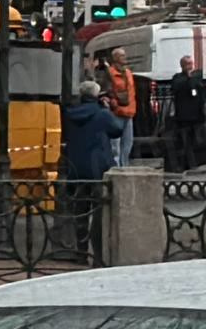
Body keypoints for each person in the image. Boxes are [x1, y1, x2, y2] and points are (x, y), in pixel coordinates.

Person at [63, 80, 124, 263]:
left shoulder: (70, 114)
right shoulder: (102, 114)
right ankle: (97, 255)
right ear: (97, 96)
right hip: (97, 168)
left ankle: (81, 253)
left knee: (80, 210)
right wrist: (107, 108)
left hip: (75, 167)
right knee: (99, 212)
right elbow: (117, 130)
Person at [97, 47, 137, 167]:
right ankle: (116, 167)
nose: (124, 58)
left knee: (127, 143)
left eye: (124, 55)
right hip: (116, 112)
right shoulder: (109, 73)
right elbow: (106, 90)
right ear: (115, 58)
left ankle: (124, 165)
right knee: (116, 145)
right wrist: (112, 101)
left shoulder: (128, 73)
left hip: (129, 112)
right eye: (121, 56)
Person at [169, 56, 206, 172]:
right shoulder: (178, 78)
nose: (190, 67)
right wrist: (188, 79)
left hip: (196, 116)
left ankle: (197, 162)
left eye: (191, 64)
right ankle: (188, 164)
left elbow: (201, 92)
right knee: (185, 141)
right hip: (183, 117)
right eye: (187, 64)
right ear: (182, 66)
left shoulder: (197, 77)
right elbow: (176, 89)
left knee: (197, 141)